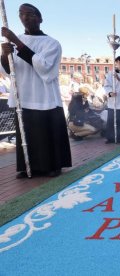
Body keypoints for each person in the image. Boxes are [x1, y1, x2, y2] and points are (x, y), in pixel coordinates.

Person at [0, 3, 71, 178]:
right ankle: (28, 166)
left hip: (45, 96)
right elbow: (10, 71)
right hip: (24, 94)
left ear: (39, 19)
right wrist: (4, 55)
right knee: (28, 134)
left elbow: (45, 68)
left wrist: (17, 42)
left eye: (30, 14)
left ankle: (53, 166)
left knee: (47, 134)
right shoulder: (13, 42)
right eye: (21, 14)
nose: (25, 17)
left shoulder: (52, 43)